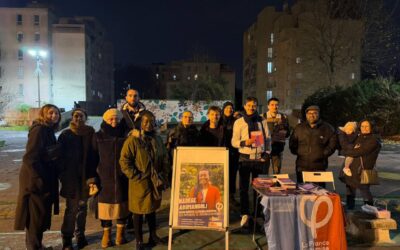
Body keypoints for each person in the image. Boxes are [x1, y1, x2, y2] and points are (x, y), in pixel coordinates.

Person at [119, 111, 170, 250]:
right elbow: (124, 161)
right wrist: (136, 176)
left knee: (152, 209)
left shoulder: (157, 139)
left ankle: (153, 236)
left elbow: (164, 157)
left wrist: (164, 176)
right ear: (139, 122)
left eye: (151, 121)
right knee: (138, 212)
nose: (149, 124)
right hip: (140, 183)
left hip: (155, 181)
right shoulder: (133, 140)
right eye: (145, 121)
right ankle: (139, 241)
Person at [14, 104, 62, 250]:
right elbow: (29, 157)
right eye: (51, 113)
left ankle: (36, 245)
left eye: (56, 113)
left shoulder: (47, 130)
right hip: (35, 180)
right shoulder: (40, 130)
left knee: (40, 215)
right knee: (35, 216)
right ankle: (33, 247)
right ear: (43, 114)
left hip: (42, 177)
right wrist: (38, 179)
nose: (54, 116)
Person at [58, 108, 96, 249]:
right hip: (71, 178)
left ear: (86, 118)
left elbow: (94, 154)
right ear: (72, 118)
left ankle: (80, 235)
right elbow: (59, 158)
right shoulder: (66, 134)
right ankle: (67, 239)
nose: (78, 118)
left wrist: (92, 178)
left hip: (86, 177)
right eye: (76, 116)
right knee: (71, 209)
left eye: (81, 116)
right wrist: (63, 175)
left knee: (82, 208)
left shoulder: (90, 132)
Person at [91, 109, 129, 248]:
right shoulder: (98, 137)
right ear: (105, 120)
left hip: (122, 177)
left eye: (117, 119)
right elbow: (92, 158)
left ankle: (120, 235)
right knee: (105, 209)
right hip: (104, 178)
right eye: (111, 119)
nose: (114, 121)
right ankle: (106, 236)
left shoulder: (126, 136)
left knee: (122, 206)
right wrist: (92, 179)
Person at [231, 97, 271, 228]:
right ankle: (245, 214)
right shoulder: (239, 122)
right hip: (244, 158)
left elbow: (268, 139)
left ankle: (257, 214)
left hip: (259, 159)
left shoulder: (262, 120)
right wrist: (244, 142)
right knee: (243, 188)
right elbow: (234, 142)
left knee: (258, 189)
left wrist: (267, 154)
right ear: (244, 106)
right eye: (249, 105)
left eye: (254, 105)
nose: (251, 108)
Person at [289, 105, 337, 184]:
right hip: (301, 166)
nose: (312, 115)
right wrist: (298, 152)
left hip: (319, 166)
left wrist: (323, 154)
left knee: (319, 192)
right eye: (309, 113)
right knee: (302, 191)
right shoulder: (299, 128)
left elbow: (333, 144)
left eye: (315, 113)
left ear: (319, 114)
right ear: (306, 115)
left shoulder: (327, 128)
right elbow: (292, 142)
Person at [341, 119, 381, 209]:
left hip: (363, 170)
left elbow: (360, 151)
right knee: (350, 189)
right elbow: (348, 144)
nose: (364, 128)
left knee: (364, 190)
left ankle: (369, 210)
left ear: (371, 127)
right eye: (362, 126)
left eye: (367, 126)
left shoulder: (374, 140)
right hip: (352, 168)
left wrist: (346, 151)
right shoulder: (359, 137)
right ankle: (350, 209)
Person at [262, 97, 290, 174]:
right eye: (272, 105)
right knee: (264, 172)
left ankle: (276, 185)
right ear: (268, 106)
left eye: (276, 105)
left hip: (278, 148)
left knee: (277, 172)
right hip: (265, 150)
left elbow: (288, 133)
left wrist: (283, 132)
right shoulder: (262, 117)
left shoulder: (283, 117)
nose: (274, 106)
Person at [221, 101, 239, 203]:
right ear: (223, 109)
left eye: (231, 108)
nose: (229, 110)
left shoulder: (236, 121)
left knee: (232, 175)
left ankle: (231, 196)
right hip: (221, 152)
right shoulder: (219, 120)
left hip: (233, 153)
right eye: (227, 108)